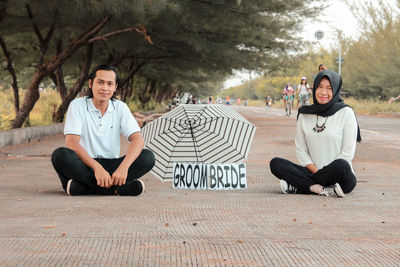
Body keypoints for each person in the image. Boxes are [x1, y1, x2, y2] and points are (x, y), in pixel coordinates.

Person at [51, 64, 155, 196]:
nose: (105, 88)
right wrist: (97, 168)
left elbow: (138, 139)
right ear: (90, 83)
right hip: (85, 164)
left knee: (147, 157)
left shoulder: (120, 108)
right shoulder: (77, 105)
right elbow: (72, 143)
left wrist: (123, 168)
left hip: (113, 165)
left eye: (110, 84)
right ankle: (117, 189)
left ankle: (82, 188)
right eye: (100, 82)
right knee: (60, 155)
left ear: (115, 87)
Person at [269, 70, 362, 198]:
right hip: (312, 171)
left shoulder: (346, 113)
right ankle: (319, 189)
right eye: (320, 87)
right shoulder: (304, 114)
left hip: (340, 178)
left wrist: (323, 175)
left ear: (335, 90)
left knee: (342, 165)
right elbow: (301, 152)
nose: (323, 92)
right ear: (314, 88)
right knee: (276, 163)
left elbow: (347, 154)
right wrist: (318, 173)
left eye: (329, 88)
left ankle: (302, 185)